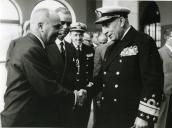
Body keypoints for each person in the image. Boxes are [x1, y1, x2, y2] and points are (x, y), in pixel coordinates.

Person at [0, 8, 86, 127]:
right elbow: (47, 88)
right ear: (40, 27)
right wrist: (75, 97)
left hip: (21, 116)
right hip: (24, 120)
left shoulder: (21, 43)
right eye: (56, 27)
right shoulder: (33, 49)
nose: (60, 30)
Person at [93, 6, 164, 128]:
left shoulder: (143, 41)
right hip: (109, 115)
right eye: (102, 26)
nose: (103, 31)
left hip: (131, 118)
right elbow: (103, 78)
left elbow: (153, 81)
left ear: (121, 21)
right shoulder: (111, 47)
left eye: (106, 25)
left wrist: (144, 116)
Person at [45, 7, 77, 127]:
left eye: (68, 23)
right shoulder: (45, 47)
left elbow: (72, 77)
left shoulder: (70, 48)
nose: (65, 27)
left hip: (67, 105)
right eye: (62, 23)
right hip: (49, 105)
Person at [69, 22, 95, 127]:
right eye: (75, 35)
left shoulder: (89, 49)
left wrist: (87, 89)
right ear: (70, 35)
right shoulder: (66, 49)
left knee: (83, 121)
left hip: (85, 92)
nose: (78, 38)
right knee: (71, 121)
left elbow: (93, 71)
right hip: (72, 93)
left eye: (80, 35)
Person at [156, 28, 172, 128]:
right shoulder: (160, 52)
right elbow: (157, 75)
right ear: (166, 37)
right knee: (162, 121)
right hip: (165, 94)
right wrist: (159, 92)